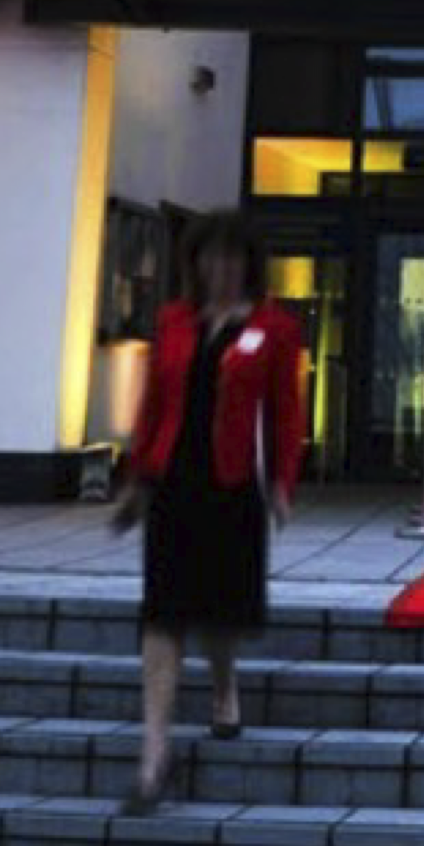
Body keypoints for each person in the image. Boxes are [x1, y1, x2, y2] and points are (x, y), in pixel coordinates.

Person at [110, 212, 306, 814]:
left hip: (232, 484)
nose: (221, 269)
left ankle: (225, 689)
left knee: (220, 609)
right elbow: (153, 402)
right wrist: (136, 476)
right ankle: (154, 756)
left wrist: (281, 484)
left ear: (249, 264)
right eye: (210, 257)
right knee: (163, 612)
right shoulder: (173, 321)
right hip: (173, 481)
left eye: (232, 257)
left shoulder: (274, 328)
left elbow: (286, 413)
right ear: (195, 263)